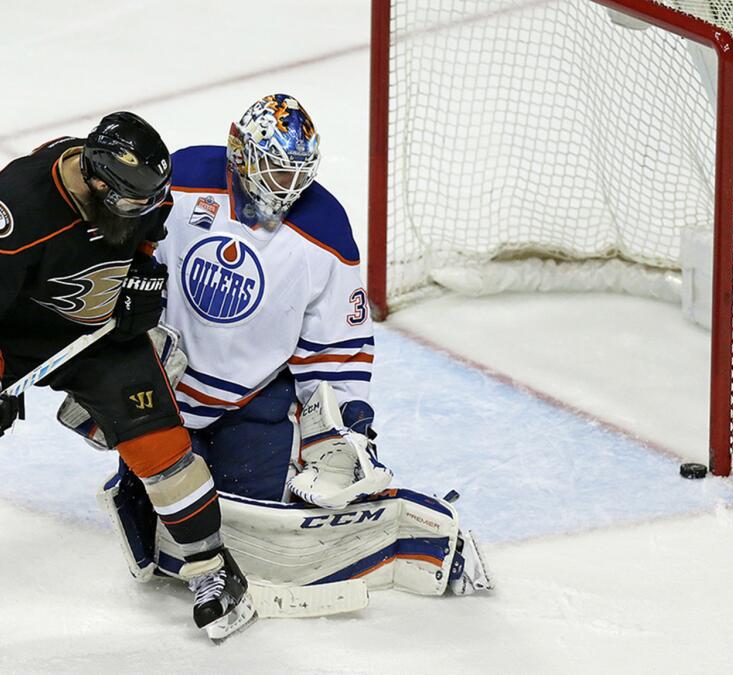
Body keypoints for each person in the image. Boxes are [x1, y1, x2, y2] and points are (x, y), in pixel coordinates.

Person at [0, 111, 257, 642]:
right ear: (98, 182)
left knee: (163, 450)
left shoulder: (139, 188)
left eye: (152, 198)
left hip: (92, 331)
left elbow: (147, 235)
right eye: (130, 201)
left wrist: (143, 280)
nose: (145, 208)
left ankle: (213, 570)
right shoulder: (17, 207)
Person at [61, 94, 493, 598]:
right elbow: (108, 247)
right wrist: (101, 366)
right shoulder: (178, 180)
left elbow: (337, 340)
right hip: (163, 390)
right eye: (274, 171)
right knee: (170, 530)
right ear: (239, 151)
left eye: (296, 175)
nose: (285, 188)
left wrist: (346, 426)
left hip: (254, 399)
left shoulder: (324, 229)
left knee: (251, 526)